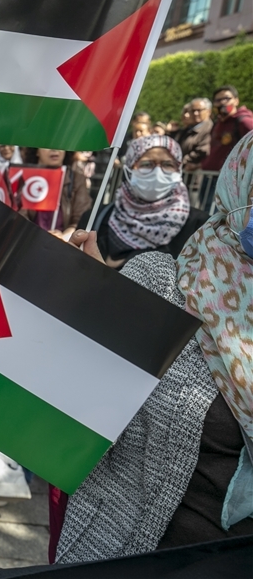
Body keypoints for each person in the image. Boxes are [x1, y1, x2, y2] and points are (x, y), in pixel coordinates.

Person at [56, 133, 253, 562]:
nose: (156, 174)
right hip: (143, 553)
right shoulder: (165, 285)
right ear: (240, 185)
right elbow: (68, 412)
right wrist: (92, 302)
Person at [79, 135, 208, 270]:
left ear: (179, 169)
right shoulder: (95, 217)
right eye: (147, 164)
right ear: (129, 168)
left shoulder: (199, 227)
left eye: (168, 164)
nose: (157, 172)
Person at [20, 147, 92, 237]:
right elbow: (19, 216)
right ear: (36, 151)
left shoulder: (77, 179)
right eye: (47, 145)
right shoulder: (23, 177)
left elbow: (81, 219)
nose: (54, 150)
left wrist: (63, 238)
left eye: (60, 144)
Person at [206, 85, 253, 172]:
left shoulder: (244, 122)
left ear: (236, 101)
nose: (222, 102)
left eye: (227, 98)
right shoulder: (216, 124)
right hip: (211, 176)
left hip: (230, 179)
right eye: (218, 100)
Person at [177, 98, 213, 171]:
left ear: (208, 111)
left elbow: (203, 150)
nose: (195, 113)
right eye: (193, 110)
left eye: (199, 110)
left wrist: (181, 162)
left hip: (196, 175)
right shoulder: (187, 129)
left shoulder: (210, 129)